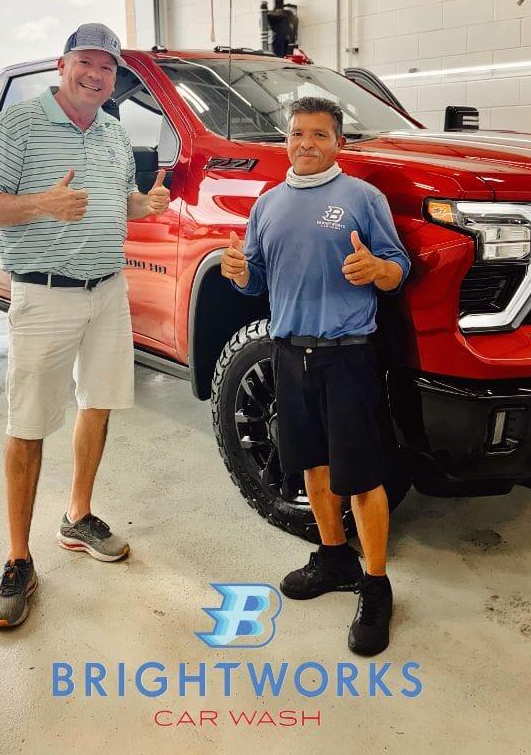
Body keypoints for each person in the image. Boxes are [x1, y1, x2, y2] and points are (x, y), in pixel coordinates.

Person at [0, 23, 170, 629]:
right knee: (28, 424)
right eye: (86, 63)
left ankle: (77, 515)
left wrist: (145, 206)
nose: (96, 76)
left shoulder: (111, 131)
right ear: (63, 65)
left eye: (106, 69)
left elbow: (120, 201)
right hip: (44, 295)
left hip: (108, 291)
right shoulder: (21, 124)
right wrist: (39, 205)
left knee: (98, 404)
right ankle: (18, 558)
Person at [220, 96, 410, 657]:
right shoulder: (269, 204)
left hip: (347, 354)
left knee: (362, 477)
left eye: (319, 135)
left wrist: (378, 269)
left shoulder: (361, 198)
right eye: (297, 133)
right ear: (287, 140)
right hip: (288, 351)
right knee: (312, 465)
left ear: (338, 143)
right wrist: (237, 271)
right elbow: (254, 280)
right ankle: (333, 558)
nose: (306, 143)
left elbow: (398, 267)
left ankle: (376, 586)